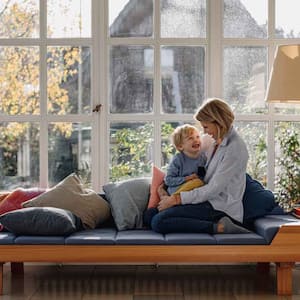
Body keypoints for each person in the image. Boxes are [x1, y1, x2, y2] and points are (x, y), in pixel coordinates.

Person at [149, 98, 250, 234]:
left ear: (218, 122)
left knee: (158, 222)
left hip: (219, 207)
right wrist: (164, 189)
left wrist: (176, 199)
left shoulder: (235, 148)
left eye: (206, 127)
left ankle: (220, 227)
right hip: (204, 200)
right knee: (149, 216)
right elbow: (186, 154)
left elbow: (213, 189)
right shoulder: (213, 141)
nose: (205, 132)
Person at [164, 124, 215, 195]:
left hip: (194, 192)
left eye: (197, 137)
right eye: (190, 138)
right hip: (178, 190)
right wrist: (186, 178)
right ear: (180, 146)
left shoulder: (203, 158)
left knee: (199, 183)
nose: (196, 140)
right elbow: (168, 180)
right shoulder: (178, 159)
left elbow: (202, 177)